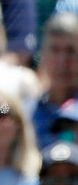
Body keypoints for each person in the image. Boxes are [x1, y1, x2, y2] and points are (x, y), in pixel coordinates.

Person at [33, 13, 78, 147]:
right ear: (43, 55)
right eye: (55, 50)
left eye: (71, 51)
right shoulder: (29, 110)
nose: (62, 61)